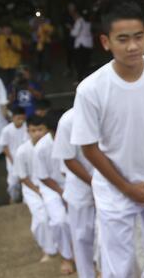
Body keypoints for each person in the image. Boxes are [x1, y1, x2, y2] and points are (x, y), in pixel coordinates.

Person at [71, 0, 144, 277]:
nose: (132, 46)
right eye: (122, 39)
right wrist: (126, 187)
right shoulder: (91, 89)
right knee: (118, 267)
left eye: (138, 37)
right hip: (114, 188)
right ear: (105, 41)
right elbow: (89, 147)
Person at [54, 107, 98, 278]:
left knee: (109, 236)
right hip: (82, 188)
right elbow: (68, 160)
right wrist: (94, 184)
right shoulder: (68, 120)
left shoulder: (113, 107)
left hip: (115, 185)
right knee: (82, 237)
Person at [34, 111, 76, 275]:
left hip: (74, 182)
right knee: (59, 221)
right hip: (51, 187)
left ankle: (90, 256)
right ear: (51, 131)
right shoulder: (41, 148)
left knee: (85, 220)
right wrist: (62, 193)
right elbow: (43, 177)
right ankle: (66, 257)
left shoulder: (75, 138)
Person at [16, 115, 58, 262]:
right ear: (28, 131)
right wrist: (37, 191)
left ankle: (61, 246)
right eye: (33, 130)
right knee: (41, 220)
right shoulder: (22, 151)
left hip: (51, 185)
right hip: (32, 188)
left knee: (57, 217)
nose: (37, 133)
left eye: (40, 130)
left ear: (46, 130)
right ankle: (47, 249)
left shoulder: (53, 145)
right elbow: (23, 177)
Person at [0, 106, 29, 203]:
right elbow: (4, 146)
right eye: (18, 118)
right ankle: (13, 198)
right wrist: (12, 160)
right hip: (12, 159)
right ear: (13, 118)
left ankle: (26, 200)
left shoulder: (27, 127)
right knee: (13, 181)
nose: (20, 121)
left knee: (26, 178)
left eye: (22, 118)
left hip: (25, 158)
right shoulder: (6, 130)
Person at [0, 24, 24, 89]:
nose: (7, 30)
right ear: (2, 30)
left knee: (15, 81)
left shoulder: (16, 38)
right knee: (4, 81)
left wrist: (11, 45)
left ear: (11, 29)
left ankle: (14, 94)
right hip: (2, 63)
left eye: (8, 28)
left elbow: (19, 50)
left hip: (14, 63)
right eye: (5, 28)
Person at [70, 5, 94, 82]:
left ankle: (80, 80)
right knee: (86, 63)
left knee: (79, 64)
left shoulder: (79, 21)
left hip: (81, 45)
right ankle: (87, 79)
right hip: (88, 44)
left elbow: (74, 33)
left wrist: (71, 28)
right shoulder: (88, 21)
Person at [34, 15, 55, 82]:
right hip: (37, 44)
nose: (40, 20)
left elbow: (51, 33)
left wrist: (45, 30)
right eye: (39, 19)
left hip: (46, 44)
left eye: (41, 19)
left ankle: (47, 73)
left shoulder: (47, 25)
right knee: (38, 60)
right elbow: (32, 31)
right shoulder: (35, 24)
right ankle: (39, 73)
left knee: (46, 59)